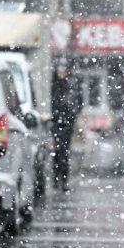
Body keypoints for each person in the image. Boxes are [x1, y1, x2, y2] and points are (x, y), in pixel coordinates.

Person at [51, 61, 79, 192]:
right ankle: (56, 180)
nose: (61, 74)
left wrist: (71, 117)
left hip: (66, 125)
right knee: (57, 153)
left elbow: (75, 105)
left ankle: (63, 181)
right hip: (57, 125)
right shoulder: (54, 88)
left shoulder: (70, 88)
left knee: (64, 154)